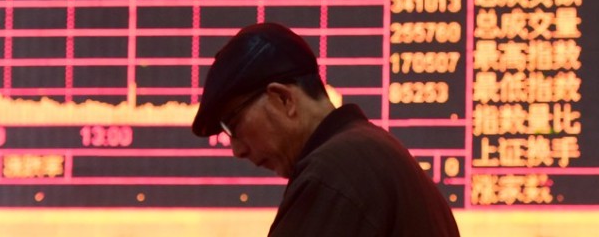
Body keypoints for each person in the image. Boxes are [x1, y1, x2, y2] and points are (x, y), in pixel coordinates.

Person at [192, 21, 461, 237]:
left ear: (283, 99)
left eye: (233, 124)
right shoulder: (369, 151)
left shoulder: (334, 172)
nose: (237, 149)